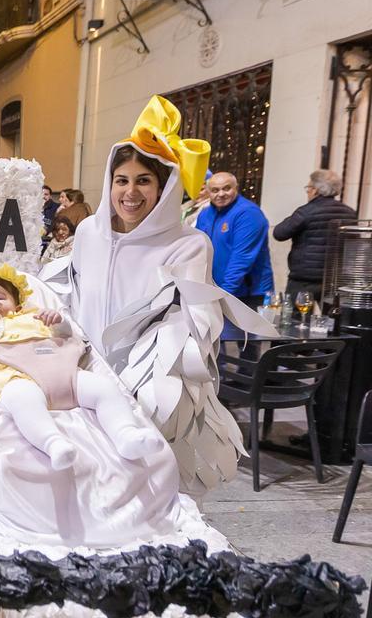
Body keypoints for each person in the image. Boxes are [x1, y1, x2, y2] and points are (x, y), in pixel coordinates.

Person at [52, 94, 273, 498]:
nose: (130, 192)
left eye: (143, 181)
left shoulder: (189, 245)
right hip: (82, 377)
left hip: (145, 390)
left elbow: (196, 323)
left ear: (164, 186)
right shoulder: (87, 234)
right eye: (122, 180)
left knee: (139, 487)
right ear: (109, 182)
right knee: (85, 484)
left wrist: (147, 378)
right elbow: (73, 295)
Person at [0, 266, 162, 470]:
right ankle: (53, 443)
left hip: (65, 371)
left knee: (105, 389)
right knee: (21, 399)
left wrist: (58, 322)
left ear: (18, 305)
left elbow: (68, 337)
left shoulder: (34, 316)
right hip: (18, 376)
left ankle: (126, 434)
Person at [272, 168, 357, 306]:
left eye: (308, 188)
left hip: (304, 280)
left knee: (296, 321)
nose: (308, 192)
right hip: (334, 280)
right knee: (331, 322)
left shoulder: (306, 211)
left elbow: (279, 233)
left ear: (315, 190)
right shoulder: (350, 213)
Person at [195, 171, 274, 308]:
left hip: (247, 294)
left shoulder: (248, 214)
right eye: (215, 190)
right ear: (209, 192)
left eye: (226, 188)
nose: (221, 194)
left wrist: (223, 295)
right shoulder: (205, 214)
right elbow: (197, 249)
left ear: (236, 187)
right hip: (215, 291)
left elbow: (241, 259)